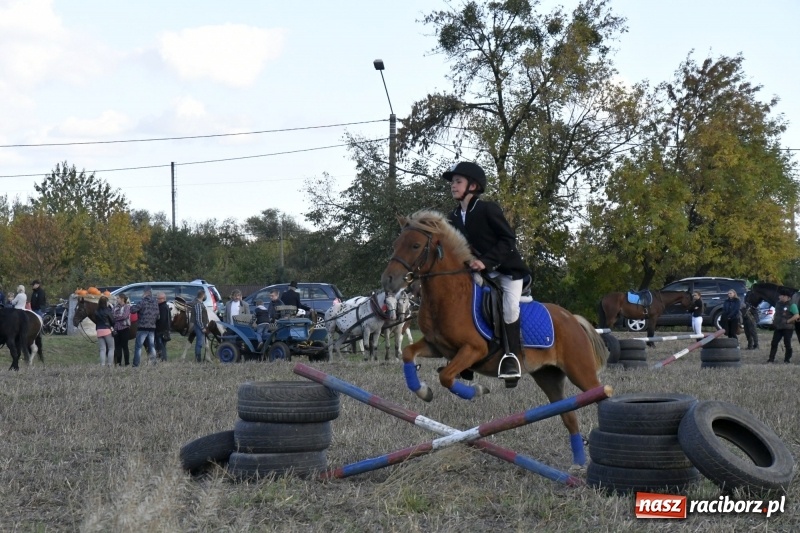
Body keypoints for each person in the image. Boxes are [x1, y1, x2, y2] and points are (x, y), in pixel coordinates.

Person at [442, 161, 531, 382]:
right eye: (452, 182)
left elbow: (508, 240)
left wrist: (486, 261)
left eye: (458, 181)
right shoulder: (452, 217)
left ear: (472, 186)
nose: (453, 185)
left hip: (507, 272)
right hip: (480, 274)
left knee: (509, 308)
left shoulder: (488, 209)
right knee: (461, 301)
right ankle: (465, 356)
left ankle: (512, 357)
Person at [767, 287, 799, 363]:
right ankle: (771, 359)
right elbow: (776, 314)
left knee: (787, 343)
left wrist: (788, 321)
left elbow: (797, 315)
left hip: (788, 328)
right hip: (778, 327)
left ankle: (787, 359)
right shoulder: (778, 304)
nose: (779, 297)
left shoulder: (792, 305)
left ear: (786, 296)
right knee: (774, 343)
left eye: (781, 295)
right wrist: (774, 321)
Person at [131, 286, 159, 367]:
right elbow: (158, 316)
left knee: (138, 347)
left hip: (142, 327)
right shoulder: (155, 303)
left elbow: (132, 310)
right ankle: (154, 363)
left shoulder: (142, 302)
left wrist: (130, 305)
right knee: (152, 346)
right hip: (152, 327)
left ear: (146, 293)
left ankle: (136, 364)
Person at [95, 295, 116, 367]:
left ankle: (102, 365)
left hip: (99, 330)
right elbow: (113, 321)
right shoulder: (108, 310)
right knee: (111, 348)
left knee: (102, 349)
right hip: (107, 330)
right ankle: (110, 364)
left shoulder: (96, 311)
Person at [113, 293, 132, 366]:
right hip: (116, 329)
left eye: (118, 298)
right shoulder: (115, 307)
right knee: (118, 347)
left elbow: (124, 316)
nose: (117, 299)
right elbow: (112, 315)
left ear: (122, 299)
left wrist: (116, 317)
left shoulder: (127, 307)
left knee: (125, 346)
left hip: (124, 328)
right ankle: (118, 363)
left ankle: (127, 363)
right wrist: (117, 317)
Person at [191, 289, 209, 362]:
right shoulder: (198, 304)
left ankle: (198, 358)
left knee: (200, 342)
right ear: (203, 295)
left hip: (201, 326)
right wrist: (202, 327)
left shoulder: (200, 303)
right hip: (199, 326)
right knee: (199, 343)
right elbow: (198, 318)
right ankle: (198, 359)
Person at [155, 292, 171, 362]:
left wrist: (158, 330)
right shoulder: (165, 306)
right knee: (161, 346)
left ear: (163, 299)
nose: (157, 300)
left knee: (161, 347)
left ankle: (163, 360)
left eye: (158, 298)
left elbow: (162, 320)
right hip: (164, 330)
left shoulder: (162, 307)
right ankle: (161, 360)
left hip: (161, 331)